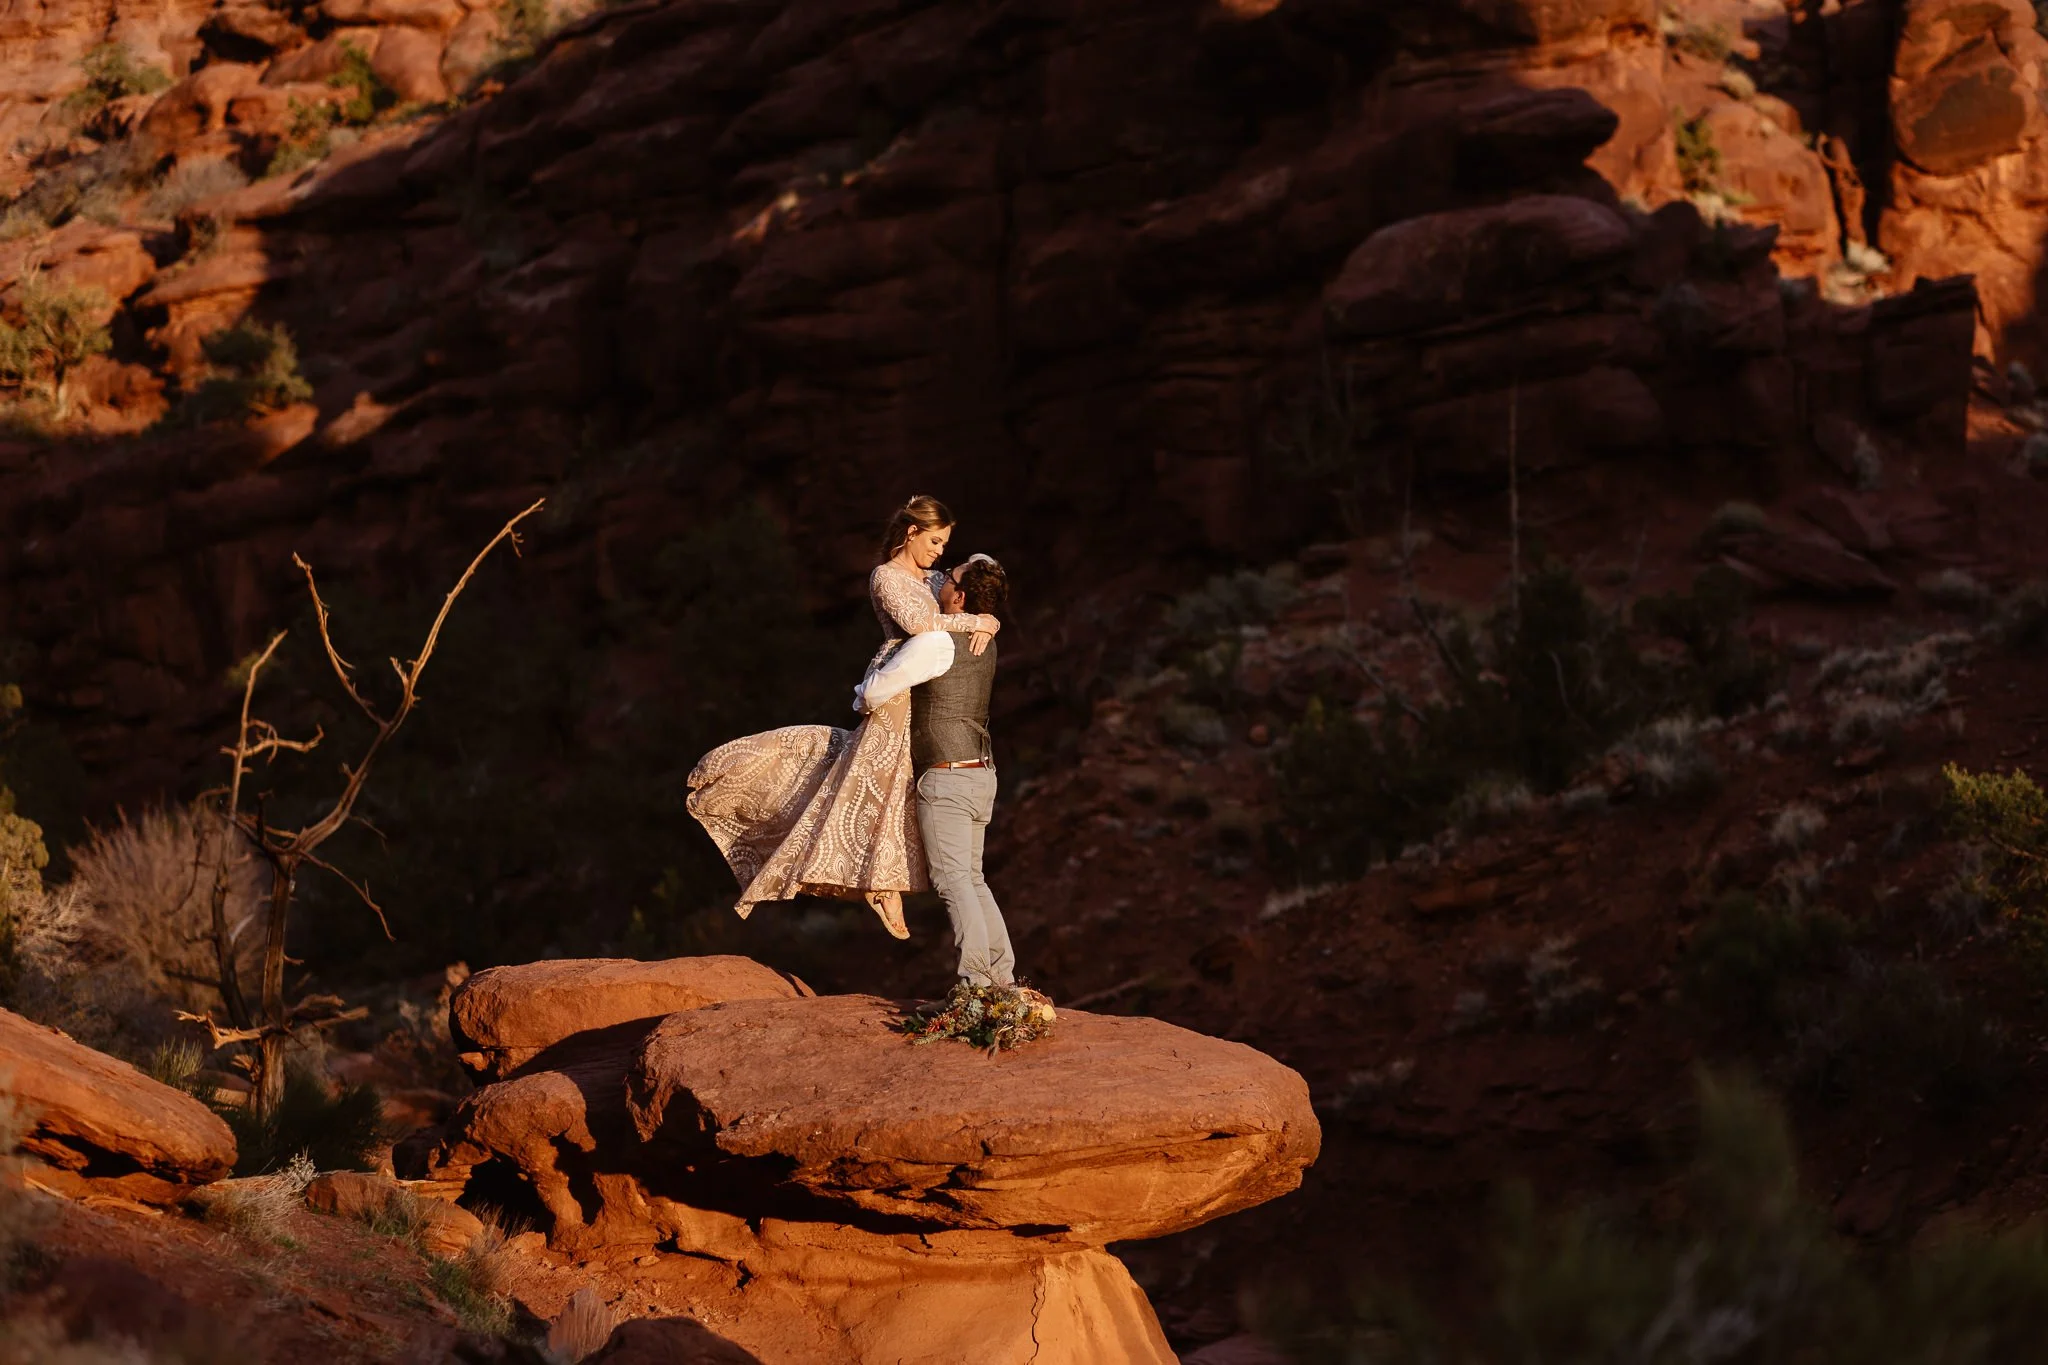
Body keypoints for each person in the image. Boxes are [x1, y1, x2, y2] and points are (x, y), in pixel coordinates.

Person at [685, 496, 1000, 938]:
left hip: (925, 692)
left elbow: (983, 565)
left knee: (891, 789)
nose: (939, 552)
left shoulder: (935, 579)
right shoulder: (887, 577)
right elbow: (920, 625)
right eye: (934, 541)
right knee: (877, 785)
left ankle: (882, 885)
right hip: (895, 690)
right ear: (911, 533)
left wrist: (988, 616)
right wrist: (978, 622)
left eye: (945, 545)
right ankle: (879, 886)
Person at [912, 558, 1016, 988]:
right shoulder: (985, 639)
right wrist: (989, 617)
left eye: (950, 577)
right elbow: (988, 567)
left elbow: (878, 689)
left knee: (954, 880)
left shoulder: (936, 641)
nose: (942, 576)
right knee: (973, 878)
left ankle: (977, 982)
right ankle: (1001, 978)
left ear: (959, 596)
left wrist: (863, 693)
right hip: (980, 772)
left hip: (948, 776)